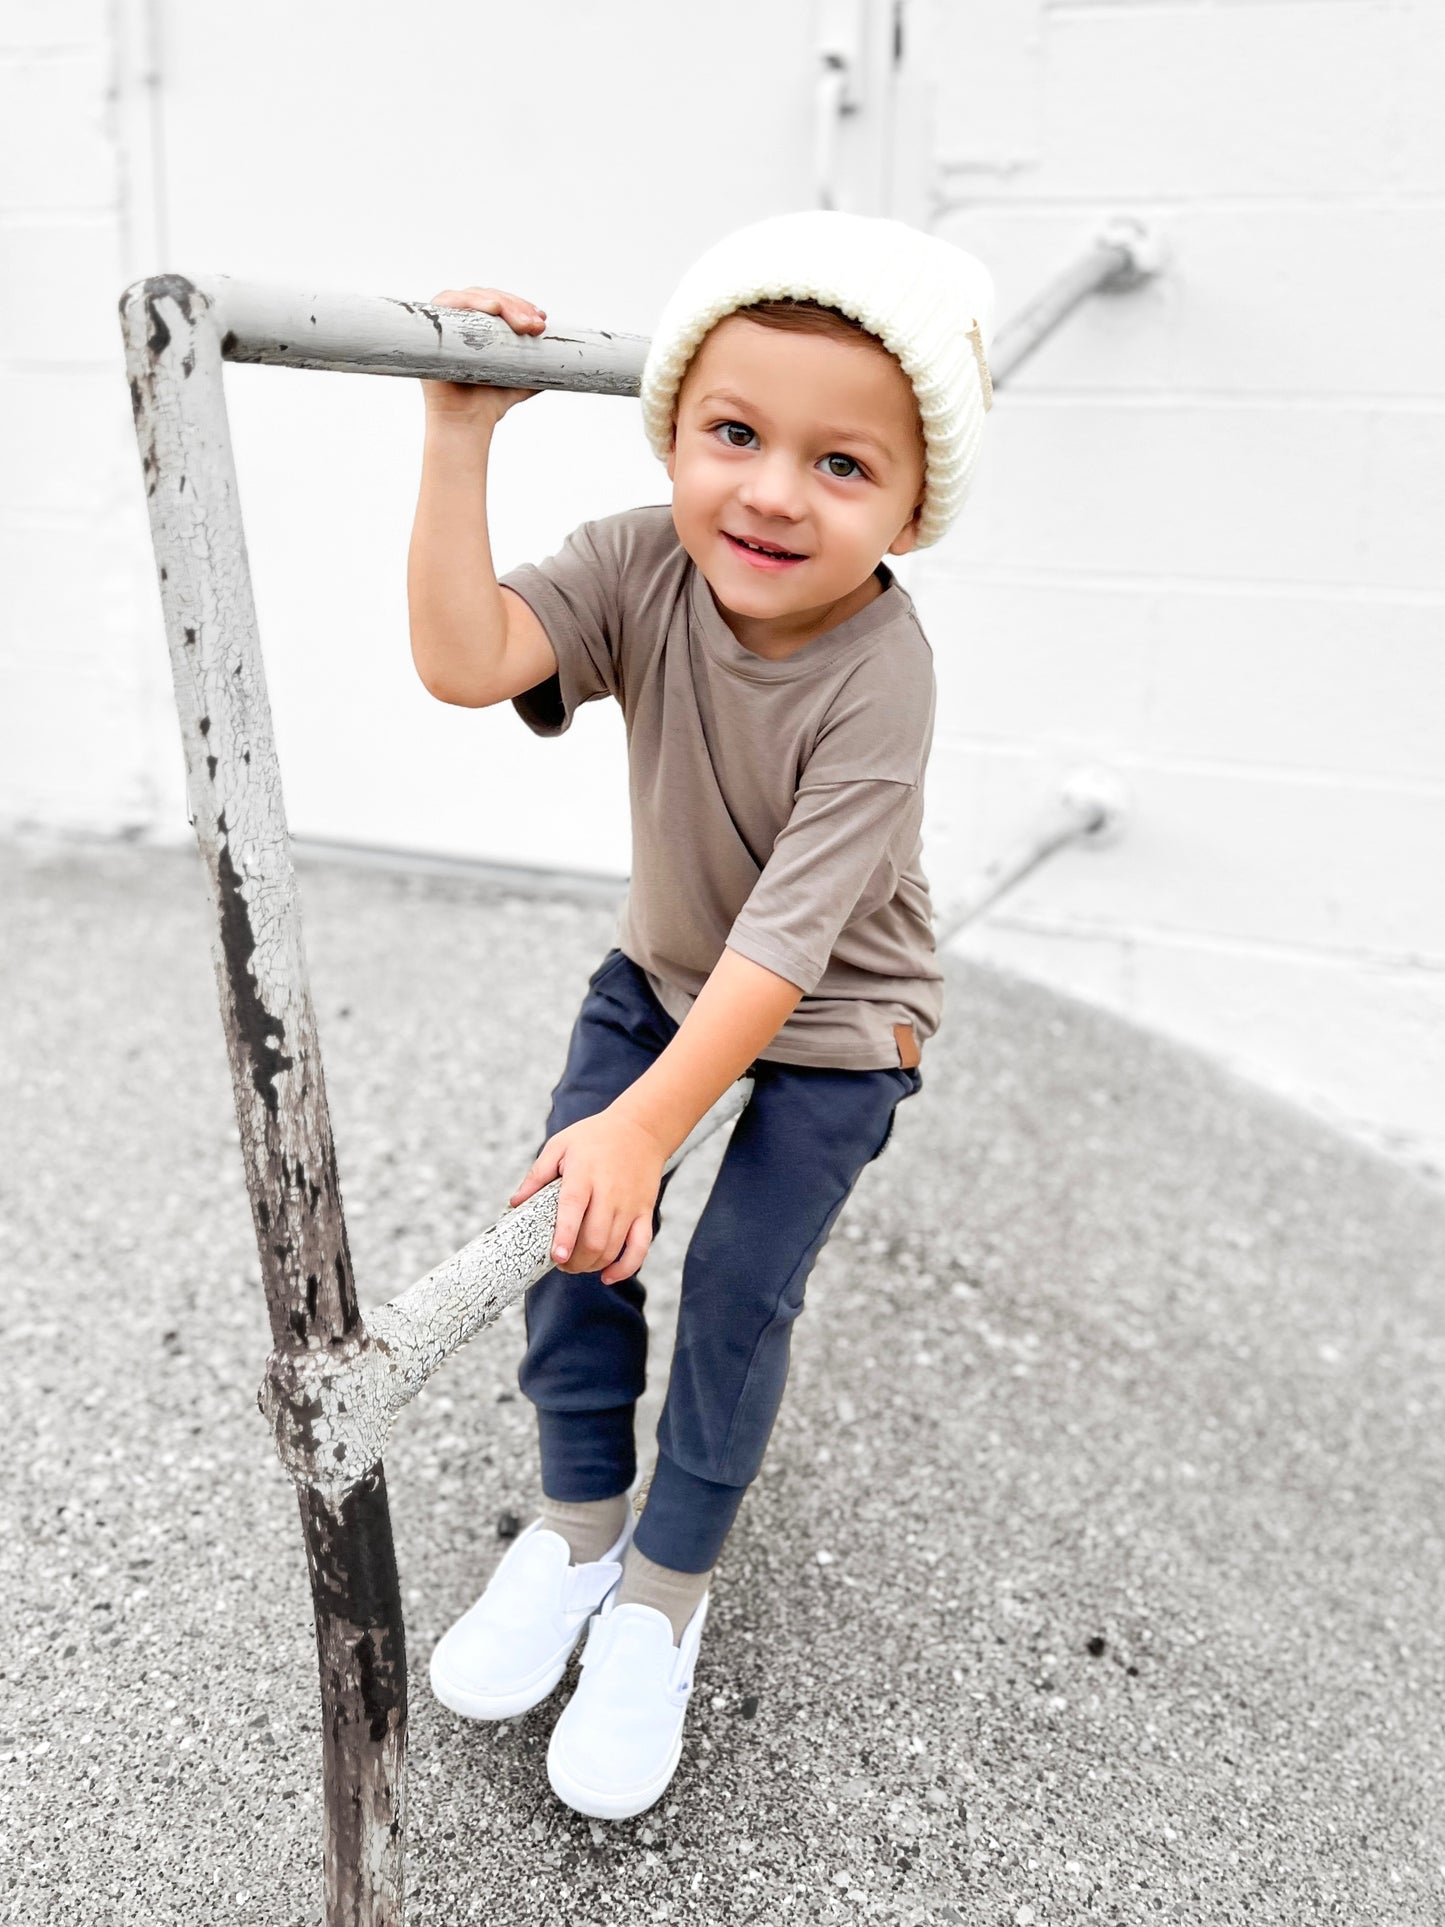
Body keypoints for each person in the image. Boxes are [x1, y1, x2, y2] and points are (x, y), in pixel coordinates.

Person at [406, 209, 995, 1822]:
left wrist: (647, 1124)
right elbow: (466, 661)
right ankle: (580, 1525)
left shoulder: (885, 673)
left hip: (832, 1011)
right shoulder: (638, 560)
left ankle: (665, 1588)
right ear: (674, 429)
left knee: (735, 1282)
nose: (772, 492)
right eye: (733, 434)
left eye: (842, 466)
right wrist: (459, 436)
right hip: (666, 972)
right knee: (573, 1226)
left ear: (912, 508)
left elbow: (791, 948)